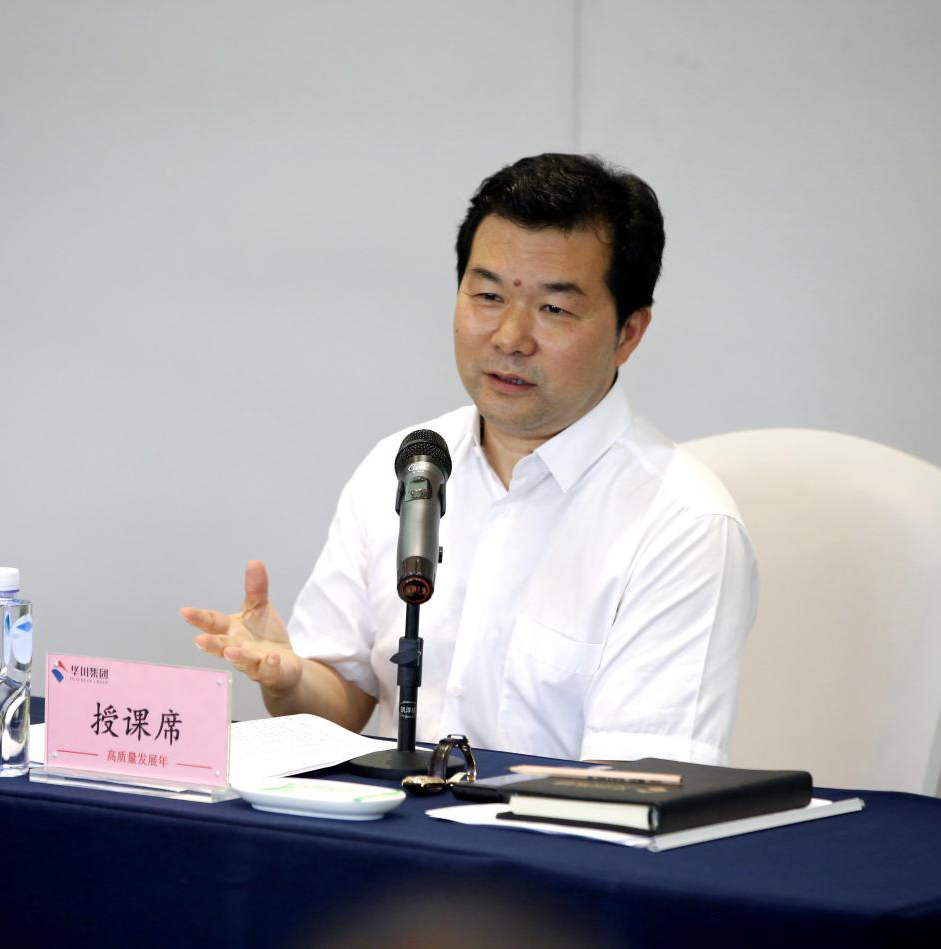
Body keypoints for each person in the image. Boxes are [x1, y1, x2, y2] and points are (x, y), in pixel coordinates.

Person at [182, 153, 758, 763]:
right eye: (487, 295)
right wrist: (290, 678)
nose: (510, 337)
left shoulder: (683, 525)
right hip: (394, 821)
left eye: (554, 309)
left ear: (629, 333)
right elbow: (345, 702)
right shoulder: (404, 465)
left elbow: (641, 783)